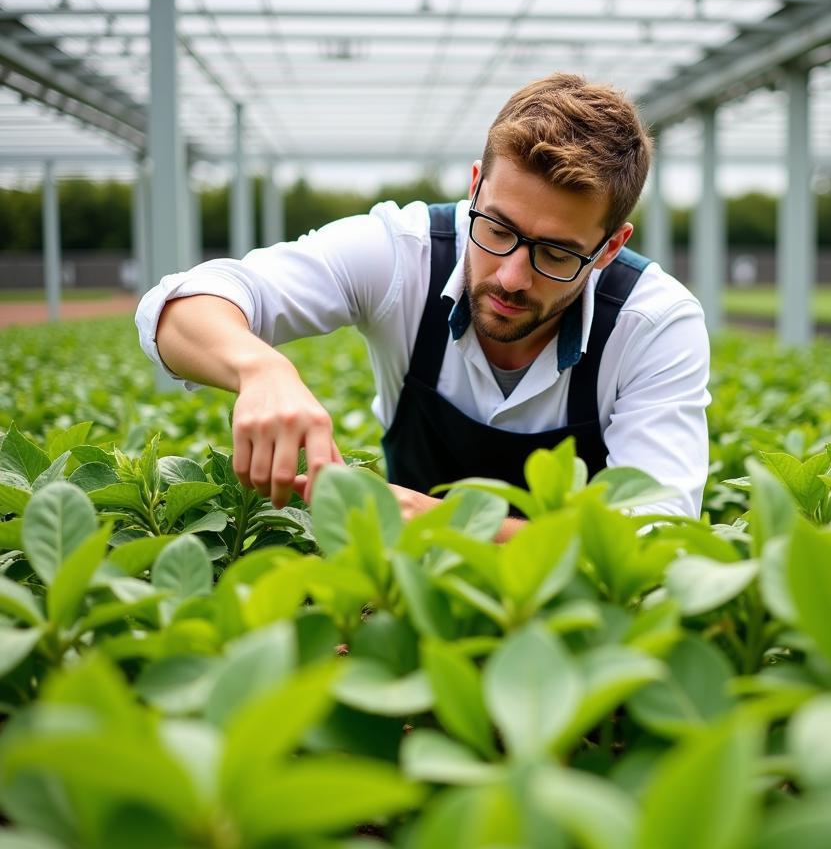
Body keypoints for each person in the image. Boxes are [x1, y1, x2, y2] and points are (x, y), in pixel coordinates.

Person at [137, 73, 710, 541]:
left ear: (611, 246)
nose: (511, 276)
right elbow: (178, 308)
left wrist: (452, 528)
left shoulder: (652, 323)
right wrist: (260, 368)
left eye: (557, 253)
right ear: (475, 186)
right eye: (498, 228)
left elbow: (657, 537)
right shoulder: (404, 253)